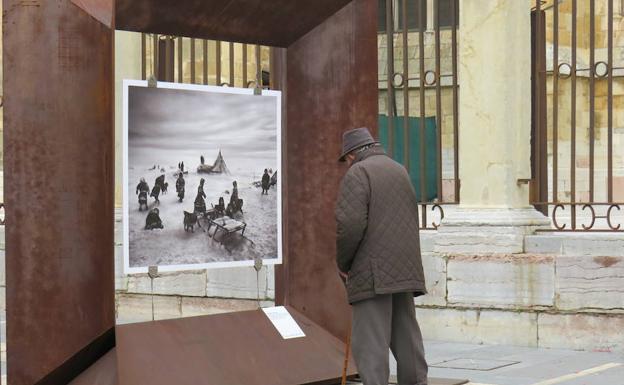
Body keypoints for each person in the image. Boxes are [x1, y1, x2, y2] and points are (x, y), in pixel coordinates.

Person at [335, 127, 428, 385]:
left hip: (372, 272)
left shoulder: (358, 173)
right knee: (407, 337)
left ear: (352, 155)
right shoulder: (399, 169)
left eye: (345, 160)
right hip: (404, 269)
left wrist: (344, 263)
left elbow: (350, 225)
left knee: (371, 346)